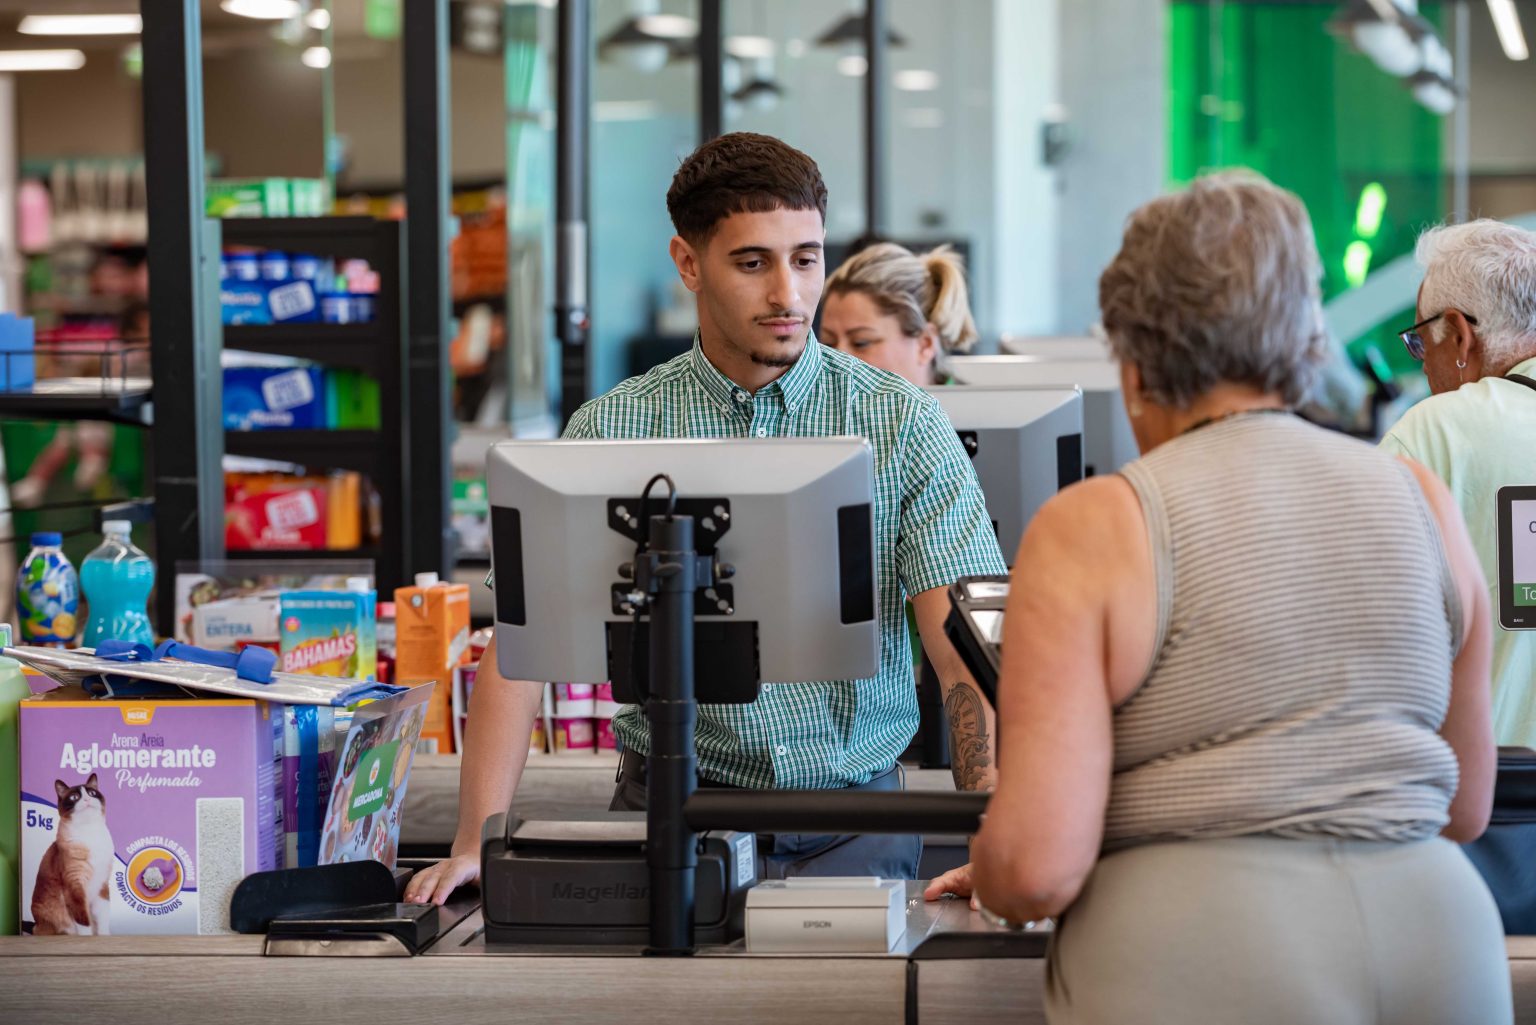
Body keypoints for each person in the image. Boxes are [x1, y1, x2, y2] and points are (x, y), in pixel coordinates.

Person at [926, 171, 1510, 1024]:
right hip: (1444, 943)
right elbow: (1464, 805)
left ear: (1133, 361)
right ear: (1307, 336)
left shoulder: (1096, 525)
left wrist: (1004, 857)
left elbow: (1038, 871)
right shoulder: (1423, 500)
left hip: (1199, 952)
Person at [406, 132, 1005, 905]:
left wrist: (996, 829)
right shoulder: (612, 428)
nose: (788, 293)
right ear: (688, 264)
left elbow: (961, 652)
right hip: (669, 817)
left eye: (806, 259)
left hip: (857, 824)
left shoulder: (903, 423)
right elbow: (519, 650)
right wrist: (473, 841)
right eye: (753, 263)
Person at [1380, 219, 1536, 747]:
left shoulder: (1433, 434)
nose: (1424, 368)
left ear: (1459, 333)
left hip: (1490, 786)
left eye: (1421, 342)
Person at [820, 242, 977, 385]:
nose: (837, 361)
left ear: (925, 344)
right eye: (828, 344)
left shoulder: (978, 406)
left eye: (861, 343)